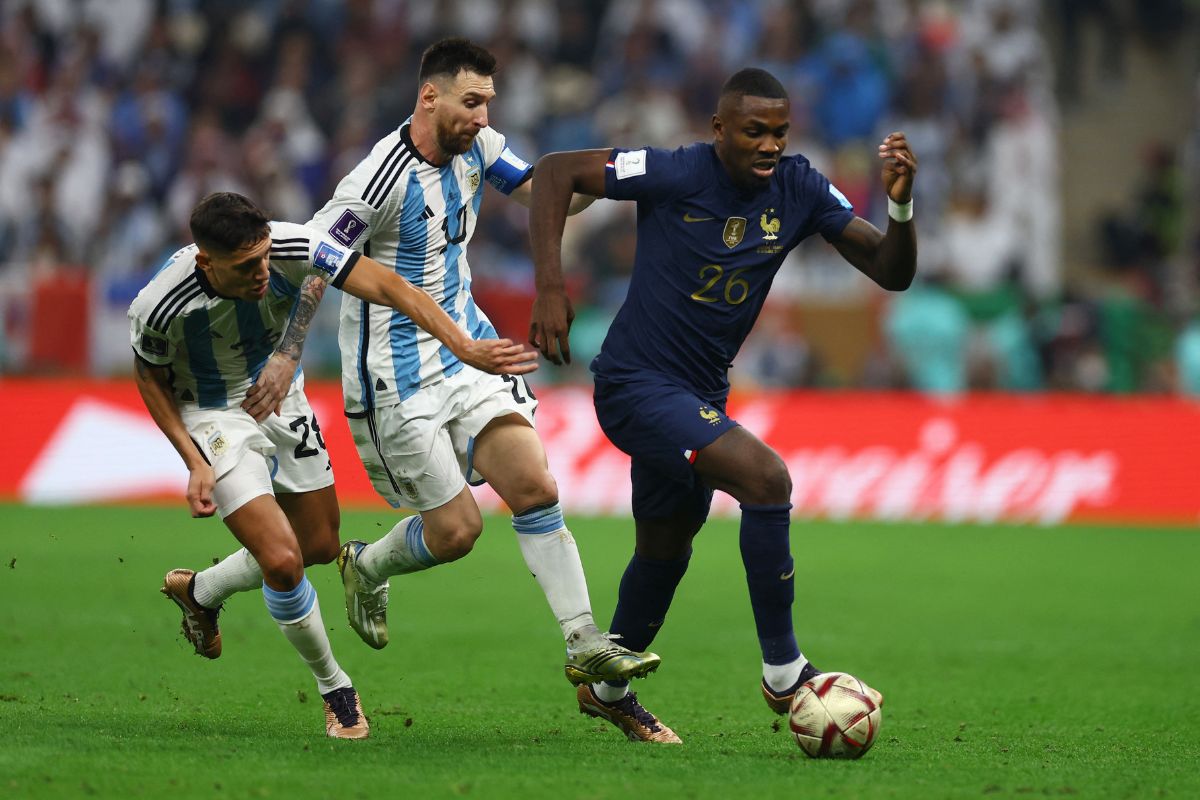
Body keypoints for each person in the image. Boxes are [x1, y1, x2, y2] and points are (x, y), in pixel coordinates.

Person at [247, 37, 661, 690]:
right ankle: (369, 567)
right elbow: (316, 263)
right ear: (429, 97)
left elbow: (541, 191)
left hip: (469, 353)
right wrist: (288, 353)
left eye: (489, 104)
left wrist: (625, 178)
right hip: (395, 381)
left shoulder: (481, 150)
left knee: (535, 485)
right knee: (458, 531)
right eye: (472, 103)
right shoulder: (377, 180)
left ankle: (584, 642)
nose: (484, 118)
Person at [528, 68, 916, 743]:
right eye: (754, 131)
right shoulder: (676, 171)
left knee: (667, 547)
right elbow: (557, 171)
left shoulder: (798, 188)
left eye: (779, 132)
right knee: (767, 478)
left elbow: (891, 271)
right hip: (635, 382)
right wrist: (551, 287)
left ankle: (607, 688)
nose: (770, 144)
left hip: (701, 392)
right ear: (719, 130)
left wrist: (903, 210)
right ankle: (785, 670)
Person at [130, 191, 536, 739]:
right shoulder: (161, 302)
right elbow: (149, 376)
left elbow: (389, 284)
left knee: (319, 545)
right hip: (212, 415)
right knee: (281, 559)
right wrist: (193, 460)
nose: (262, 273)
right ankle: (336, 689)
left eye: (266, 257)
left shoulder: (295, 245)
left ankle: (200, 591)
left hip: (281, 397)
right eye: (246, 266)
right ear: (207, 262)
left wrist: (462, 346)